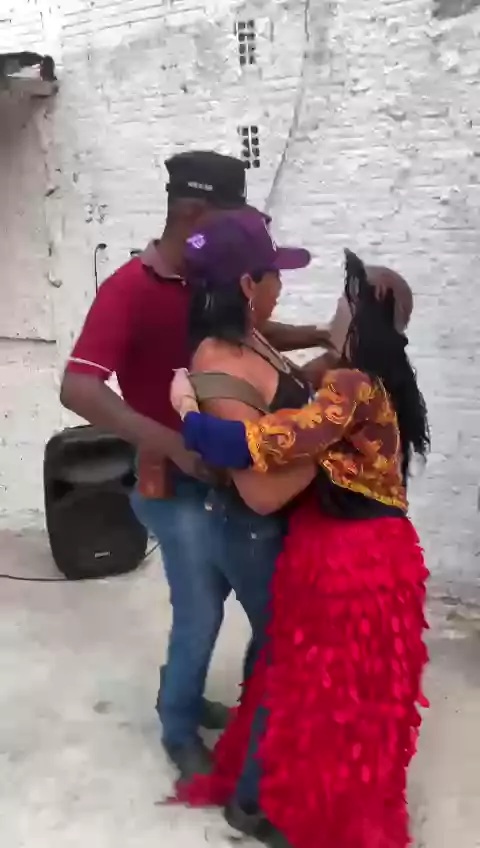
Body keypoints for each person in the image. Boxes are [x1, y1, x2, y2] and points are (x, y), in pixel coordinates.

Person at [59, 150, 337, 781]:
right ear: (194, 214)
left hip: (224, 475)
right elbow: (78, 386)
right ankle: (179, 725)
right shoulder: (130, 289)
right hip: (177, 482)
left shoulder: (208, 276)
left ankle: (202, 702)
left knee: (241, 599)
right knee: (202, 609)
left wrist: (319, 335)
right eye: (232, 217)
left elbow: (248, 330)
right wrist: (172, 441)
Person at [170, 243, 430, 848]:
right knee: (330, 683)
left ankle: (276, 803)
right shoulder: (369, 374)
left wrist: (186, 410)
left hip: (355, 557)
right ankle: (283, 796)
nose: (333, 309)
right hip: (357, 545)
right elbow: (295, 374)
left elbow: (256, 443)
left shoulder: (351, 386)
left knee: (321, 685)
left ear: (362, 317)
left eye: (344, 302)